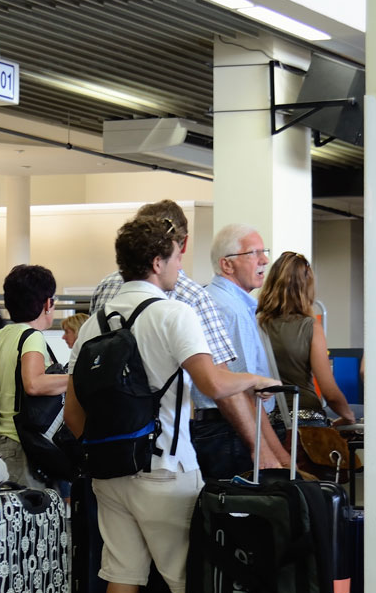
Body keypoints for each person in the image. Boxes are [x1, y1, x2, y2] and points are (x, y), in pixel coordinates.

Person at [64, 215, 279, 593]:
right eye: (177, 257)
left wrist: (107, 447)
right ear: (158, 262)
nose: (181, 266)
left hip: (109, 473)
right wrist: (253, 380)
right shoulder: (173, 314)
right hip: (168, 469)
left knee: (122, 576)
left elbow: (74, 414)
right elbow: (212, 384)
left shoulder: (94, 322)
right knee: (185, 581)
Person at [92, 201, 285, 470]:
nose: (263, 260)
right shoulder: (192, 297)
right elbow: (217, 385)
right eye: (254, 254)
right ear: (180, 246)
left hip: (108, 440)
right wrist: (262, 450)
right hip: (169, 446)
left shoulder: (104, 291)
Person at [190, 223, 292, 480]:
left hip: (228, 431)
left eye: (263, 251)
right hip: (232, 431)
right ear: (227, 265)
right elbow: (242, 393)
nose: (265, 260)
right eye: (253, 253)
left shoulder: (231, 303)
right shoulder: (228, 309)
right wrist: (273, 453)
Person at [0, 264, 68, 490]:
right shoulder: (31, 337)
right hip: (24, 447)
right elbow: (33, 383)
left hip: (1, 443)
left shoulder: (0, 335)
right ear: (47, 303)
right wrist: (76, 379)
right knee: (31, 521)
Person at [256, 251, 355, 425]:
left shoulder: (255, 324)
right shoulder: (310, 327)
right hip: (305, 417)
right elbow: (329, 392)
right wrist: (348, 416)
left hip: (264, 420)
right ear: (306, 287)